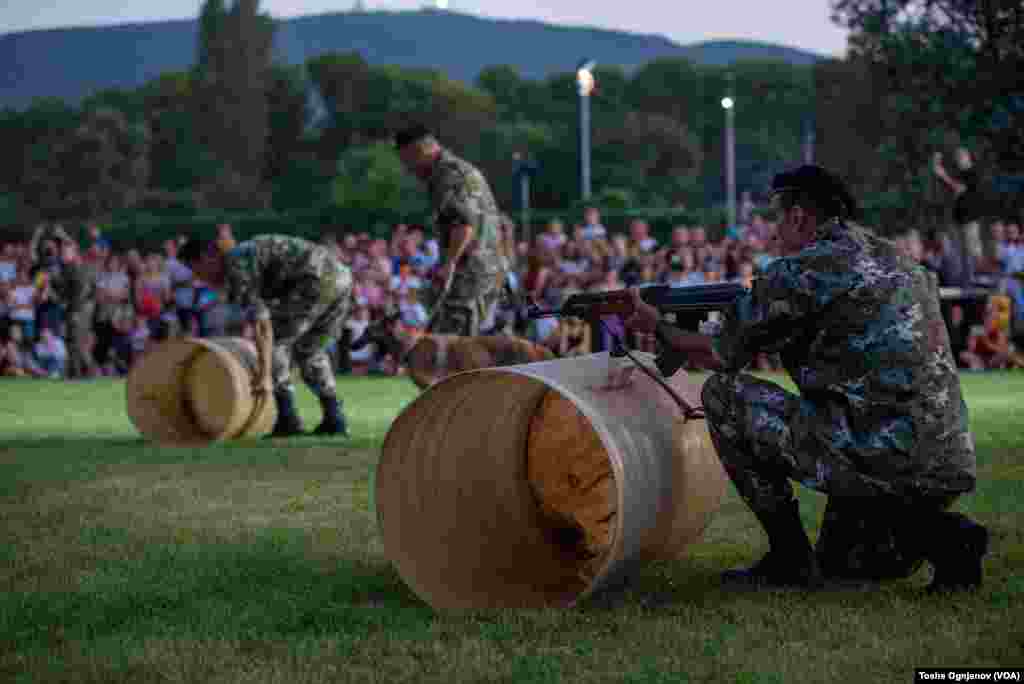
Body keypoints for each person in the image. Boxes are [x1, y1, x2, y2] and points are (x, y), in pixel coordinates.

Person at [622, 164, 987, 594]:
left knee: (724, 395)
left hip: (878, 449)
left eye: (777, 219)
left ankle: (788, 559)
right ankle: (946, 537)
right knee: (846, 565)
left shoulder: (802, 270)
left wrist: (656, 325)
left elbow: (718, 354)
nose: (775, 232)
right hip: (944, 455)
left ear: (798, 217)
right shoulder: (898, 259)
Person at [180, 234, 353, 438]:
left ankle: (288, 418)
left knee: (276, 340)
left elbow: (262, 325)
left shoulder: (236, 265)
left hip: (315, 280)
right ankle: (335, 418)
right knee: (309, 350)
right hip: (340, 278)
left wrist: (264, 376)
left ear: (208, 258)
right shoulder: (242, 256)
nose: (199, 278)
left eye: (196, 270)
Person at [395, 124, 505, 337]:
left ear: (420, 151)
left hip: (470, 273)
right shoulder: (457, 170)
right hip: (483, 268)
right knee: (459, 341)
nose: (408, 170)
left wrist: (448, 263)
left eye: (407, 161)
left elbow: (464, 225)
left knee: (451, 345)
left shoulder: (448, 174)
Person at [933, 148, 983, 287]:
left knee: (971, 250)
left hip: (970, 220)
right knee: (959, 252)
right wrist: (939, 170)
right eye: (957, 157)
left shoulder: (972, 172)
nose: (958, 159)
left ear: (968, 157)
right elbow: (951, 188)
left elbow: (958, 188)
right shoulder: (960, 174)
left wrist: (943, 174)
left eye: (961, 156)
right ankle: (963, 280)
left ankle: (975, 278)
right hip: (959, 220)